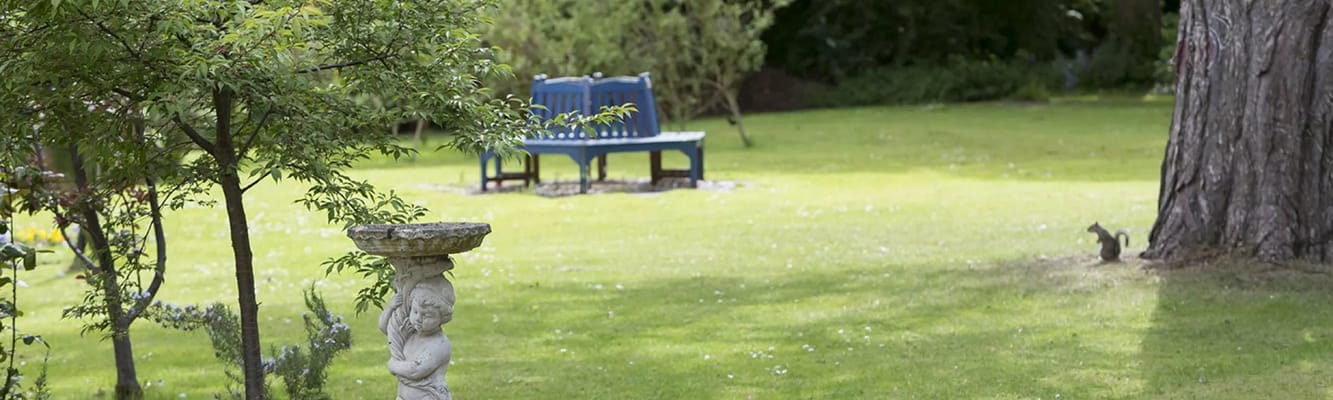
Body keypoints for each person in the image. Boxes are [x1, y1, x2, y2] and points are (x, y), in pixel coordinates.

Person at [386, 281, 455, 400]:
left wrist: (393, 365)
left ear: (442, 318)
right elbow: (387, 328)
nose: (418, 319)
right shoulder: (411, 332)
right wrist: (390, 308)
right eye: (415, 311)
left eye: (427, 316)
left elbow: (416, 371)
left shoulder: (439, 345)